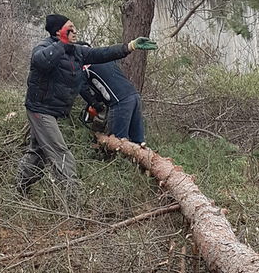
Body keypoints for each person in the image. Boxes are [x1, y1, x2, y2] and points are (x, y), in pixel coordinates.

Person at [18, 14, 156, 195]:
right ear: (59, 31)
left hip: (51, 111)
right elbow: (40, 61)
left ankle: (21, 188)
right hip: (40, 110)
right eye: (70, 28)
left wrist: (129, 46)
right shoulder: (44, 48)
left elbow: (102, 53)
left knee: (38, 153)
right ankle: (74, 202)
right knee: (61, 154)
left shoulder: (77, 52)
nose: (75, 31)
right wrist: (62, 43)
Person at [79, 58, 148, 146]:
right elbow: (107, 83)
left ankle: (116, 159)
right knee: (138, 142)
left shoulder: (84, 67)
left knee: (117, 142)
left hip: (120, 101)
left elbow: (82, 89)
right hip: (134, 96)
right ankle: (144, 156)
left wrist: (94, 104)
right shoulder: (104, 58)